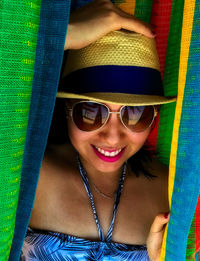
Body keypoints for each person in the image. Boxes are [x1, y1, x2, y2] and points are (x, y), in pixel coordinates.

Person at [21, 0, 176, 260]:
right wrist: (62, 34)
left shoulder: (173, 193)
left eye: (135, 114)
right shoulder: (25, 175)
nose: (113, 136)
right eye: (91, 112)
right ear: (66, 109)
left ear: (155, 117)